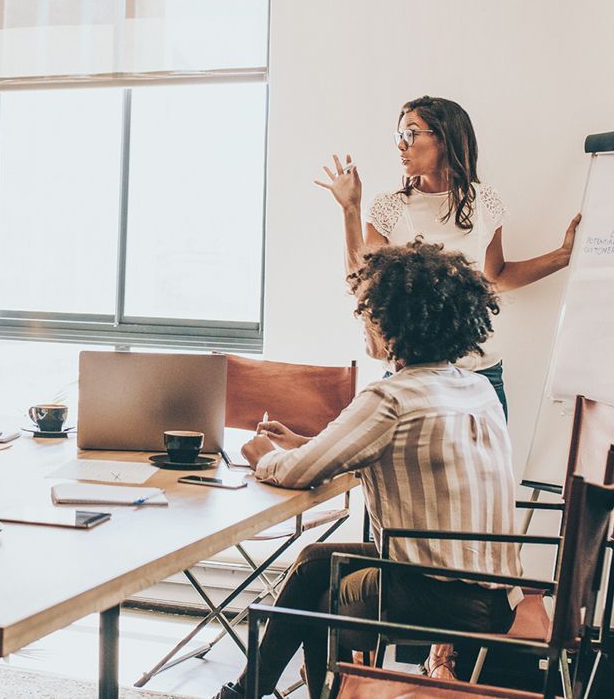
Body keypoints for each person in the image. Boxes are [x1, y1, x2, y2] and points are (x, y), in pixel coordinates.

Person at [213, 240, 522, 699]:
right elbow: (401, 456)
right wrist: (304, 444)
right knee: (314, 564)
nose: (363, 323)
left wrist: (264, 455)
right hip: (496, 592)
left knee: (319, 601)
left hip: (435, 592)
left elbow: (297, 473)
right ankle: (244, 694)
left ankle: (268, 693)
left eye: (367, 313)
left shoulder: (393, 397)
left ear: (391, 324)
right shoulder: (475, 388)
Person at [315, 95, 581, 417]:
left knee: (488, 468)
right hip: (411, 373)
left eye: (411, 134)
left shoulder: (485, 203)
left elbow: (494, 277)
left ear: (444, 138)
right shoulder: (389, 207)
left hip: (480, 373)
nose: (401, 145)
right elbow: (364, 286)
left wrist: (563, 256)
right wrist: (350, 209)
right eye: (399, 135)